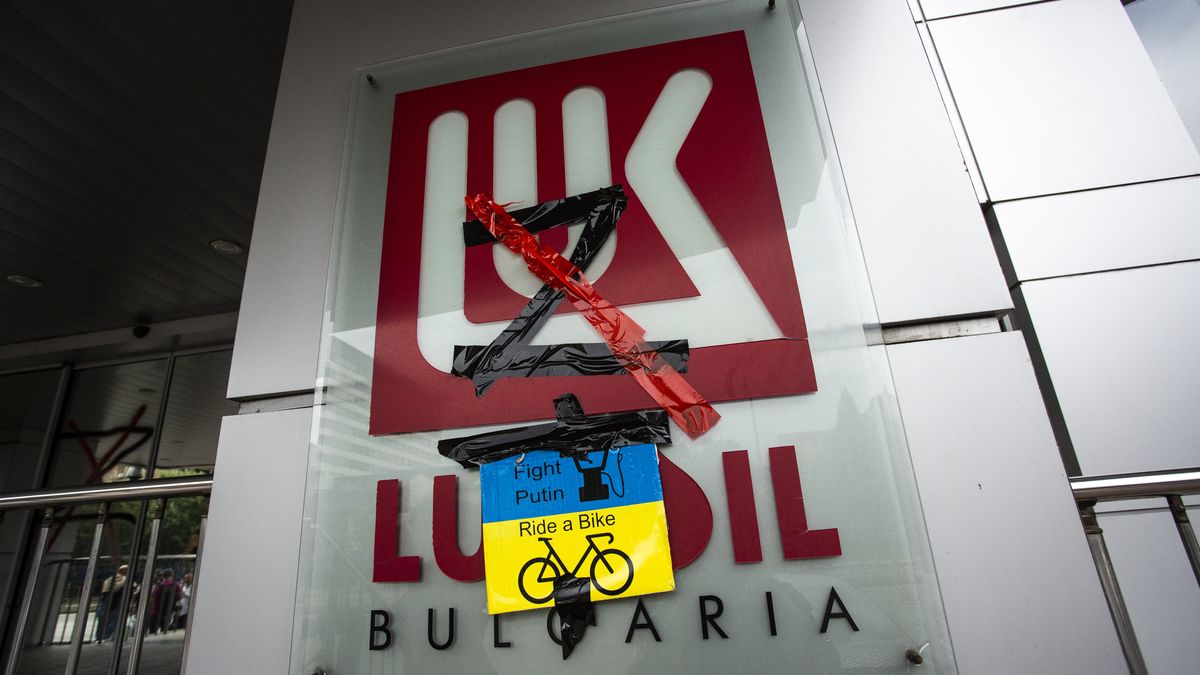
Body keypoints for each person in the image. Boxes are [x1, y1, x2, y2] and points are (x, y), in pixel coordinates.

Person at [94, 564, 128, 642]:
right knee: (112, 620)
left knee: (104, 621)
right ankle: (104, 637)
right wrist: (124, 580)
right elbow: (115, 588)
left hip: (108, 601)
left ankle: (99, 637)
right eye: (126, 570)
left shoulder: (113, 578)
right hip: (111, 601)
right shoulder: (119, 577)